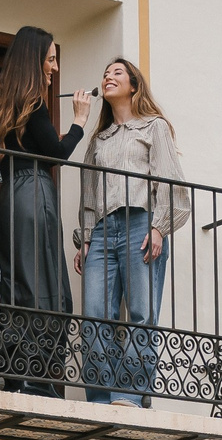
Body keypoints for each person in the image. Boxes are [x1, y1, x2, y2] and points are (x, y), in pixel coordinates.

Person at [0, 27, 92, 393]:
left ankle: (8, 371)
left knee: (20, 287)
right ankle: (38, 381)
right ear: (35, 61)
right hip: (33, 193)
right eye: (50, 59)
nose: (54, 68)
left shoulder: (3, 103)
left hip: (9, 200)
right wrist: (79, 121)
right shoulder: (34, 101)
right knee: (51, 292)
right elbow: (56, 154)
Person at [73, 58, 187, 407]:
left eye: (117, 73)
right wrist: (87, 237)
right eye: (105, 73)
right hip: (104, 230)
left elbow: (171, 180)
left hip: (142, 222)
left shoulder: (155, 128)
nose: (108, 76)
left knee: (141, 313)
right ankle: (100, 396)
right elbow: (90, 193)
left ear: (134, 85)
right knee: (95, 315)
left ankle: (130, 395)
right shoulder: (99, 141)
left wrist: (159, 227)